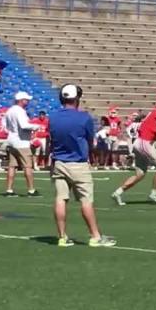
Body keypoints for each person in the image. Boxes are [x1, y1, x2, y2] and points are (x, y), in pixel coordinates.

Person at [48, 84, 112, 247]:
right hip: (78, 163)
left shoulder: (53, 117)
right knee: (86, 200)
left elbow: (52, 141)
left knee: (61, 198)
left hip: (59, 162)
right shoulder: (84, 118)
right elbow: (91, 142)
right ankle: (95, 236)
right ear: (76, 98)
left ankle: (62, 236)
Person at [112, 92, 156, 206]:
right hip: (145, 143)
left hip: (139, 143)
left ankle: (118, 192)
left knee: (140, 174)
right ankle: (153, 194)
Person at [3, 91, 38, 197]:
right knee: (27, 166)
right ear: (21, 100)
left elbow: (6, 126)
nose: (27, 101)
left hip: (12, 140)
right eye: (26, 100)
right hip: (21, 142)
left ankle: (9, 190)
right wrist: (35, 126)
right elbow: (23, 125)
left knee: (12, 166)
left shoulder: (9, 111)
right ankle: (31, 190)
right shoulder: (20, 111)